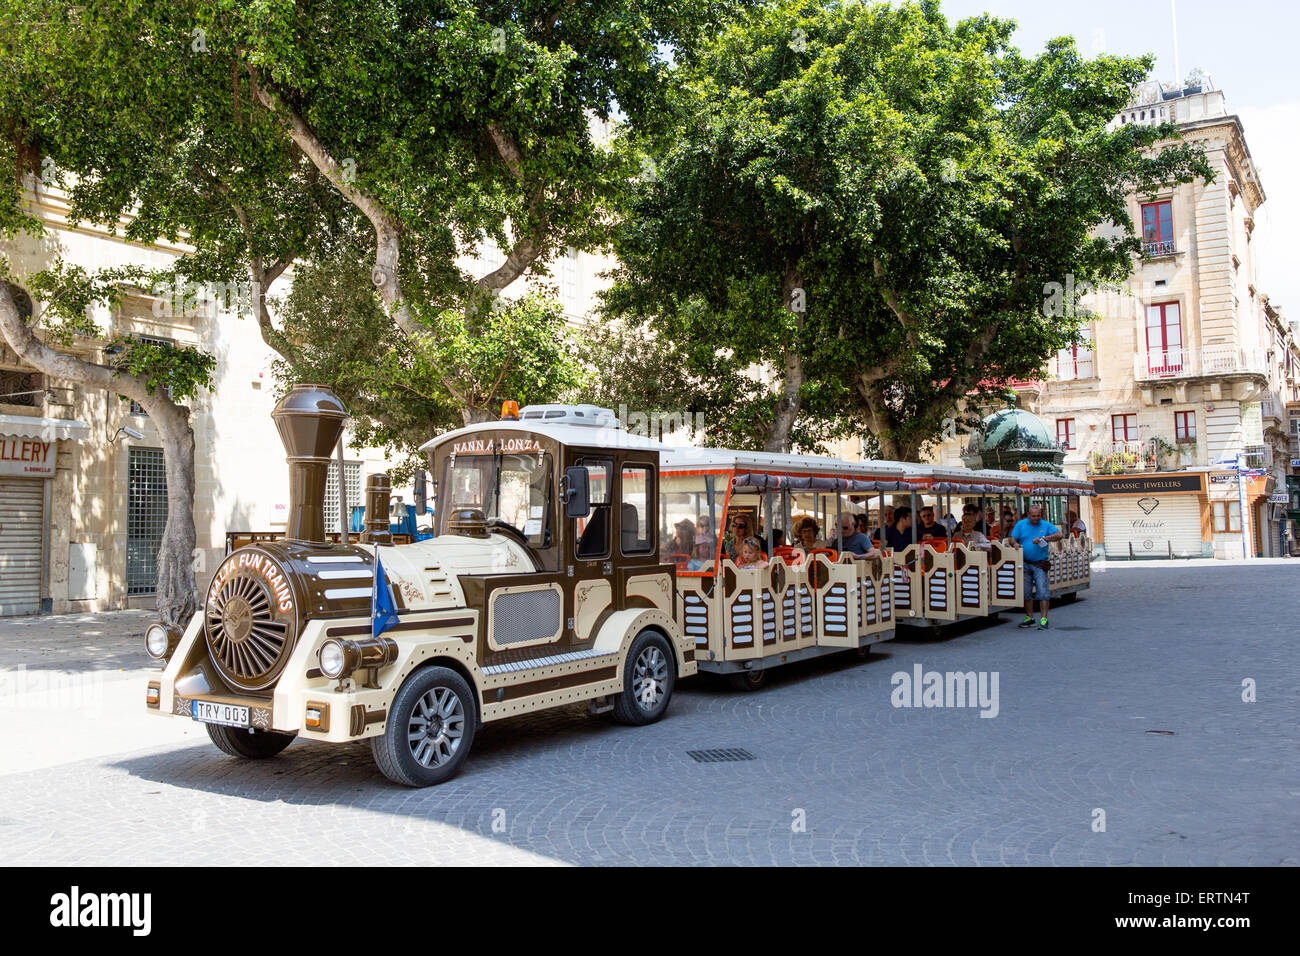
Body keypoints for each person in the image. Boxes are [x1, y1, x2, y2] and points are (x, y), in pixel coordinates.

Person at [1008, 505, 1064, 629]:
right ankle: (1030, 617)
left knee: (1042, 591)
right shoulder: (1021, 524)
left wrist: (1044, 538)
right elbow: (1012, 538)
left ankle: (1044, 619)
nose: (1036, 518)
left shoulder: (1045, 525)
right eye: (1033, 516)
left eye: (1038, 516)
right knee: (1026, 592)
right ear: (1028, 514)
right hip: (1025, 563)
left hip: (1040, 564)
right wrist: (1015, 543)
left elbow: (1059, 535)